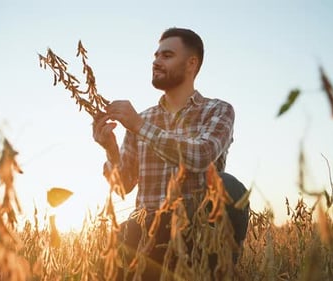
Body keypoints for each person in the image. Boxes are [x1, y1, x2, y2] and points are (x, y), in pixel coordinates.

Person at [93, 27, 249, 280]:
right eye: (155, 56)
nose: (156, 61)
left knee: (227, 185)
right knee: (111, 248)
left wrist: (140, 127)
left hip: (198, 229)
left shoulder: (217, 110)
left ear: (191, 63)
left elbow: (201, 155)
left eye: (166, 55)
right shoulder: (142, 119)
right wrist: (110, 148)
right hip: (148, 231)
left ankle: (216, 271)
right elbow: (123, 186)